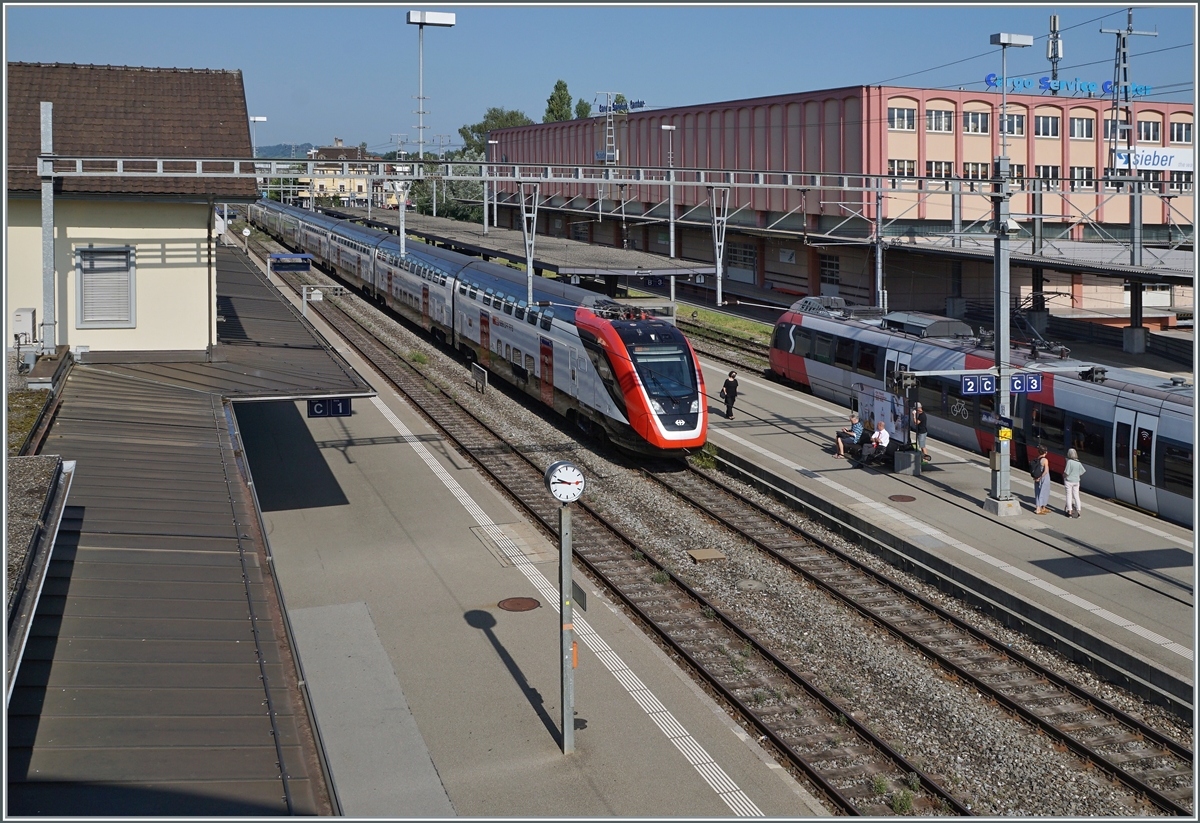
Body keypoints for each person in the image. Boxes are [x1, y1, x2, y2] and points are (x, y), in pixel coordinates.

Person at [1063, 448, 1086, 518]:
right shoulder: (1078, 463)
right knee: (1076, 496)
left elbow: (1066, 472)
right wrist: (1076, 475)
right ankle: (1078, 511)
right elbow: (1083, 471)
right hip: (1076, 481)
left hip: (1069, 481)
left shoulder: (1069, 462)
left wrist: (1063, 476)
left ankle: (1070, 511)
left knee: (1069, 496)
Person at [1031, 446, 1051, 515]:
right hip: (1044, 479)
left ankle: (1042, 507)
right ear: (1045, 452)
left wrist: (1037, 477)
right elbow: (1045, 471)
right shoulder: (1045, 460)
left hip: (1036, 478)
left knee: (1038, 493)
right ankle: (1038, 509)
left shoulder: (1037, 458)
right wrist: (1040, 477)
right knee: (1043, 493)